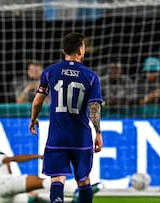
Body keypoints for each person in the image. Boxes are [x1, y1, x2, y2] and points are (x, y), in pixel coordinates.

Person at [29, 32, 103, 203]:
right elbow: (94, 106)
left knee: (57, 178)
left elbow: (38, 100)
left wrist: (33, 118)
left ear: (64, 51)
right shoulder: (91, 77)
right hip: (80, 137)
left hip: (57, 136)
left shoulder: (50, 72)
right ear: (80, 50)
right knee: (83, 179)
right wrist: (98, 132)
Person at [0, 152, 85, 203]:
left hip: (0, 200)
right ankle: (77, 191)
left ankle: (72, 201)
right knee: (39, 181)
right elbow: (13, 159)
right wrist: (38, 156)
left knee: (34, 196)